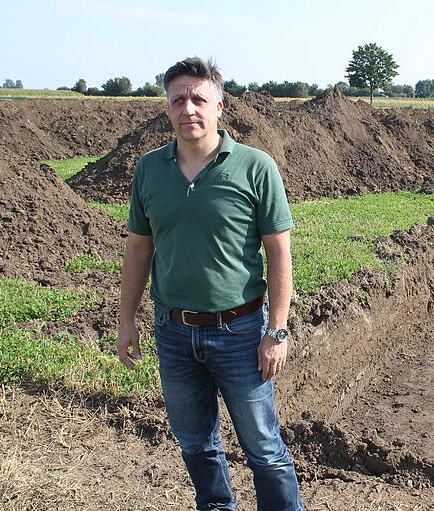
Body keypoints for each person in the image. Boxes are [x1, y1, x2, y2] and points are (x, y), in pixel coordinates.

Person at [116, 57, 303, 511]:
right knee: (196, 443)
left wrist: (276, 331)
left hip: (239, 332)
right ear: (167, 109)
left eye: (199, 99)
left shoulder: (255, 167)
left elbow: (279, 253)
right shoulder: (149, 169)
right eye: (178, 100)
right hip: (174, 331)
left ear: (219, 106)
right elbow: (139, 249)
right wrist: (126, 321)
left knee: (263, 448)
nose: (189, 109)